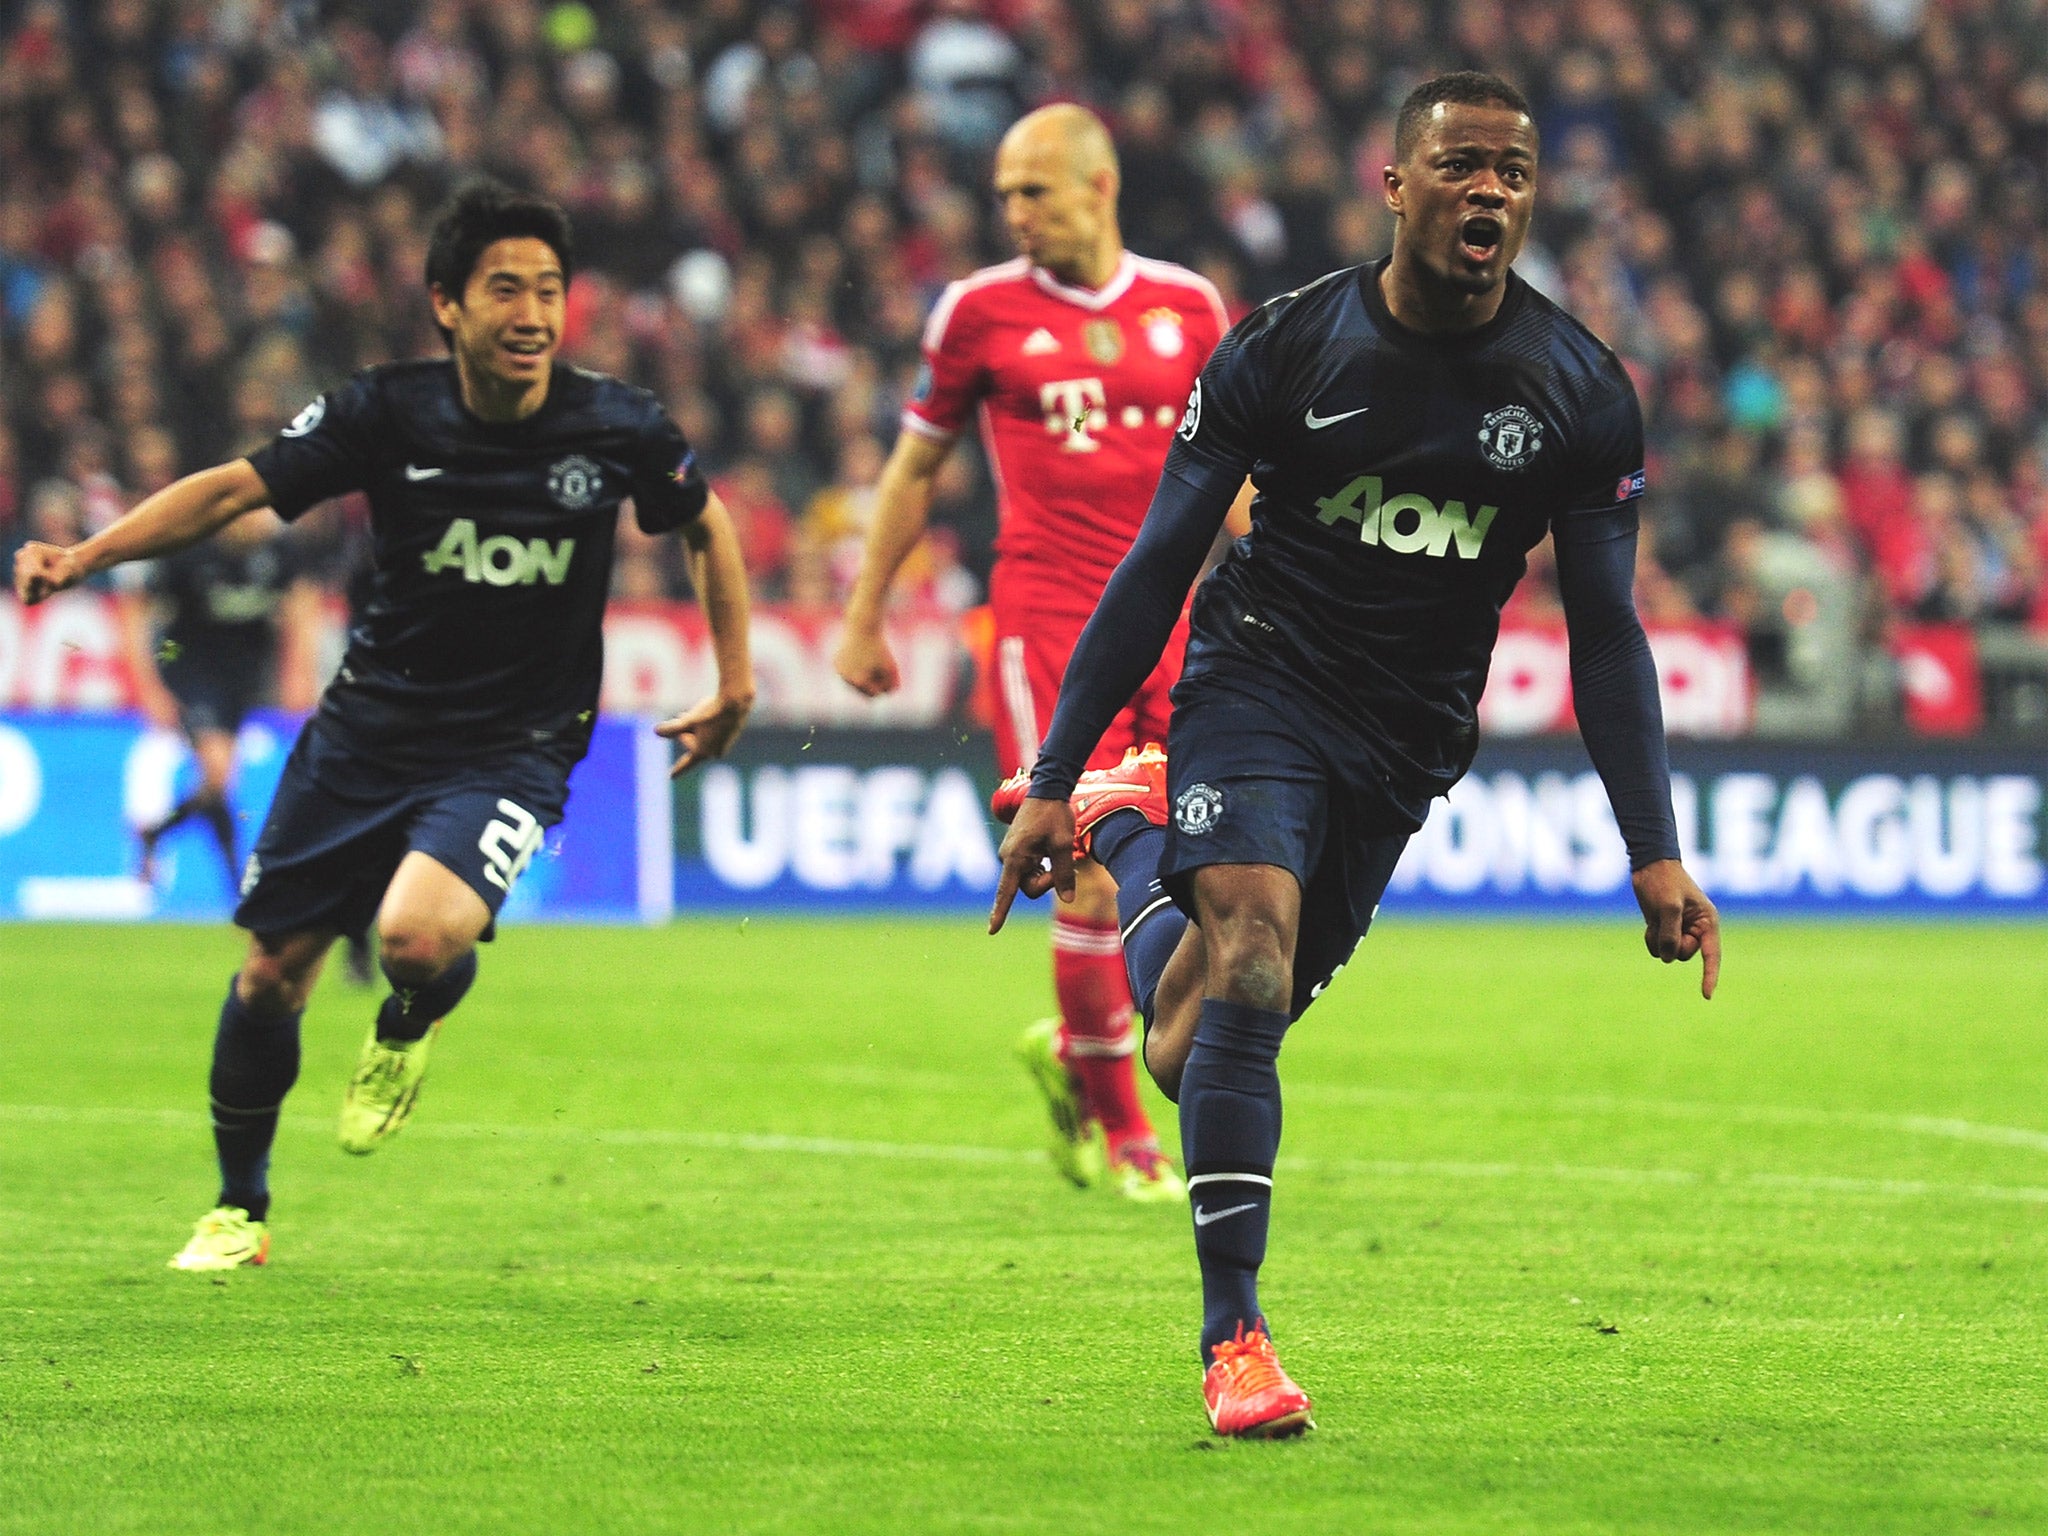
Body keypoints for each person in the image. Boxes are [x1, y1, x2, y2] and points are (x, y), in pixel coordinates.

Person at [990, 73, 1721, 1437]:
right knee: (1253, 958)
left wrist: (1655, 849)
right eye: (1461, 167)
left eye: (1512, 170)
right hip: (1257, 677)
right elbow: (1158, 563)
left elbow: (1609, 639)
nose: (1489, 190)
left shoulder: (1578, 392)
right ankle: (1236, 1342)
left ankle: (1133, 829)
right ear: (1398, 188)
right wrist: (1045, 768)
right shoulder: (1285, 348)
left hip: (1405, 738)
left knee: (1195, 1037)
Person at [14, 180, 756, 1272]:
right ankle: (238, 1210)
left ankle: (410, 1018)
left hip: (517, 740)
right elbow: (233, 491)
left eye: (549, 290)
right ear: (447, 304)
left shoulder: (618, 425)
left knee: (413, 940)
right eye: (505, 288)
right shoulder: (384, 411)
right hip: (367, 728)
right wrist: (84, 558)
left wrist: (734, 683)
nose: (532, 313)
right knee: (272, 973)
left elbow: (705, 528)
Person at [836, 103, 1246, 1202]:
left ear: (1097, 186)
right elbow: (915, 469)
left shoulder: (1189, 305)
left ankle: (1079, 1055)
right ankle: (1123, 1139)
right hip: (1049, 628)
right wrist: (865, 609)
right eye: (1005, 193)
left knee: (1198, 869)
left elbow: (1243, 480)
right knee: (1087, 861)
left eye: (1034, 190)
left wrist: (1298, 601)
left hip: (1183, 628)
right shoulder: (976, 311)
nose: (1012, 211)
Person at [122, 509, 324, 891]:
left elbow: (303, 603)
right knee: (218, 773)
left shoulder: (280, 553)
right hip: (192, 671)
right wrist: (149, 687)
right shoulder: (191, 552)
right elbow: (135, 608)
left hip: (242, 680)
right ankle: (237, 886)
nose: (265, 520)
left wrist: (299, 672)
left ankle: (154, 833)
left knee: (217, 785)